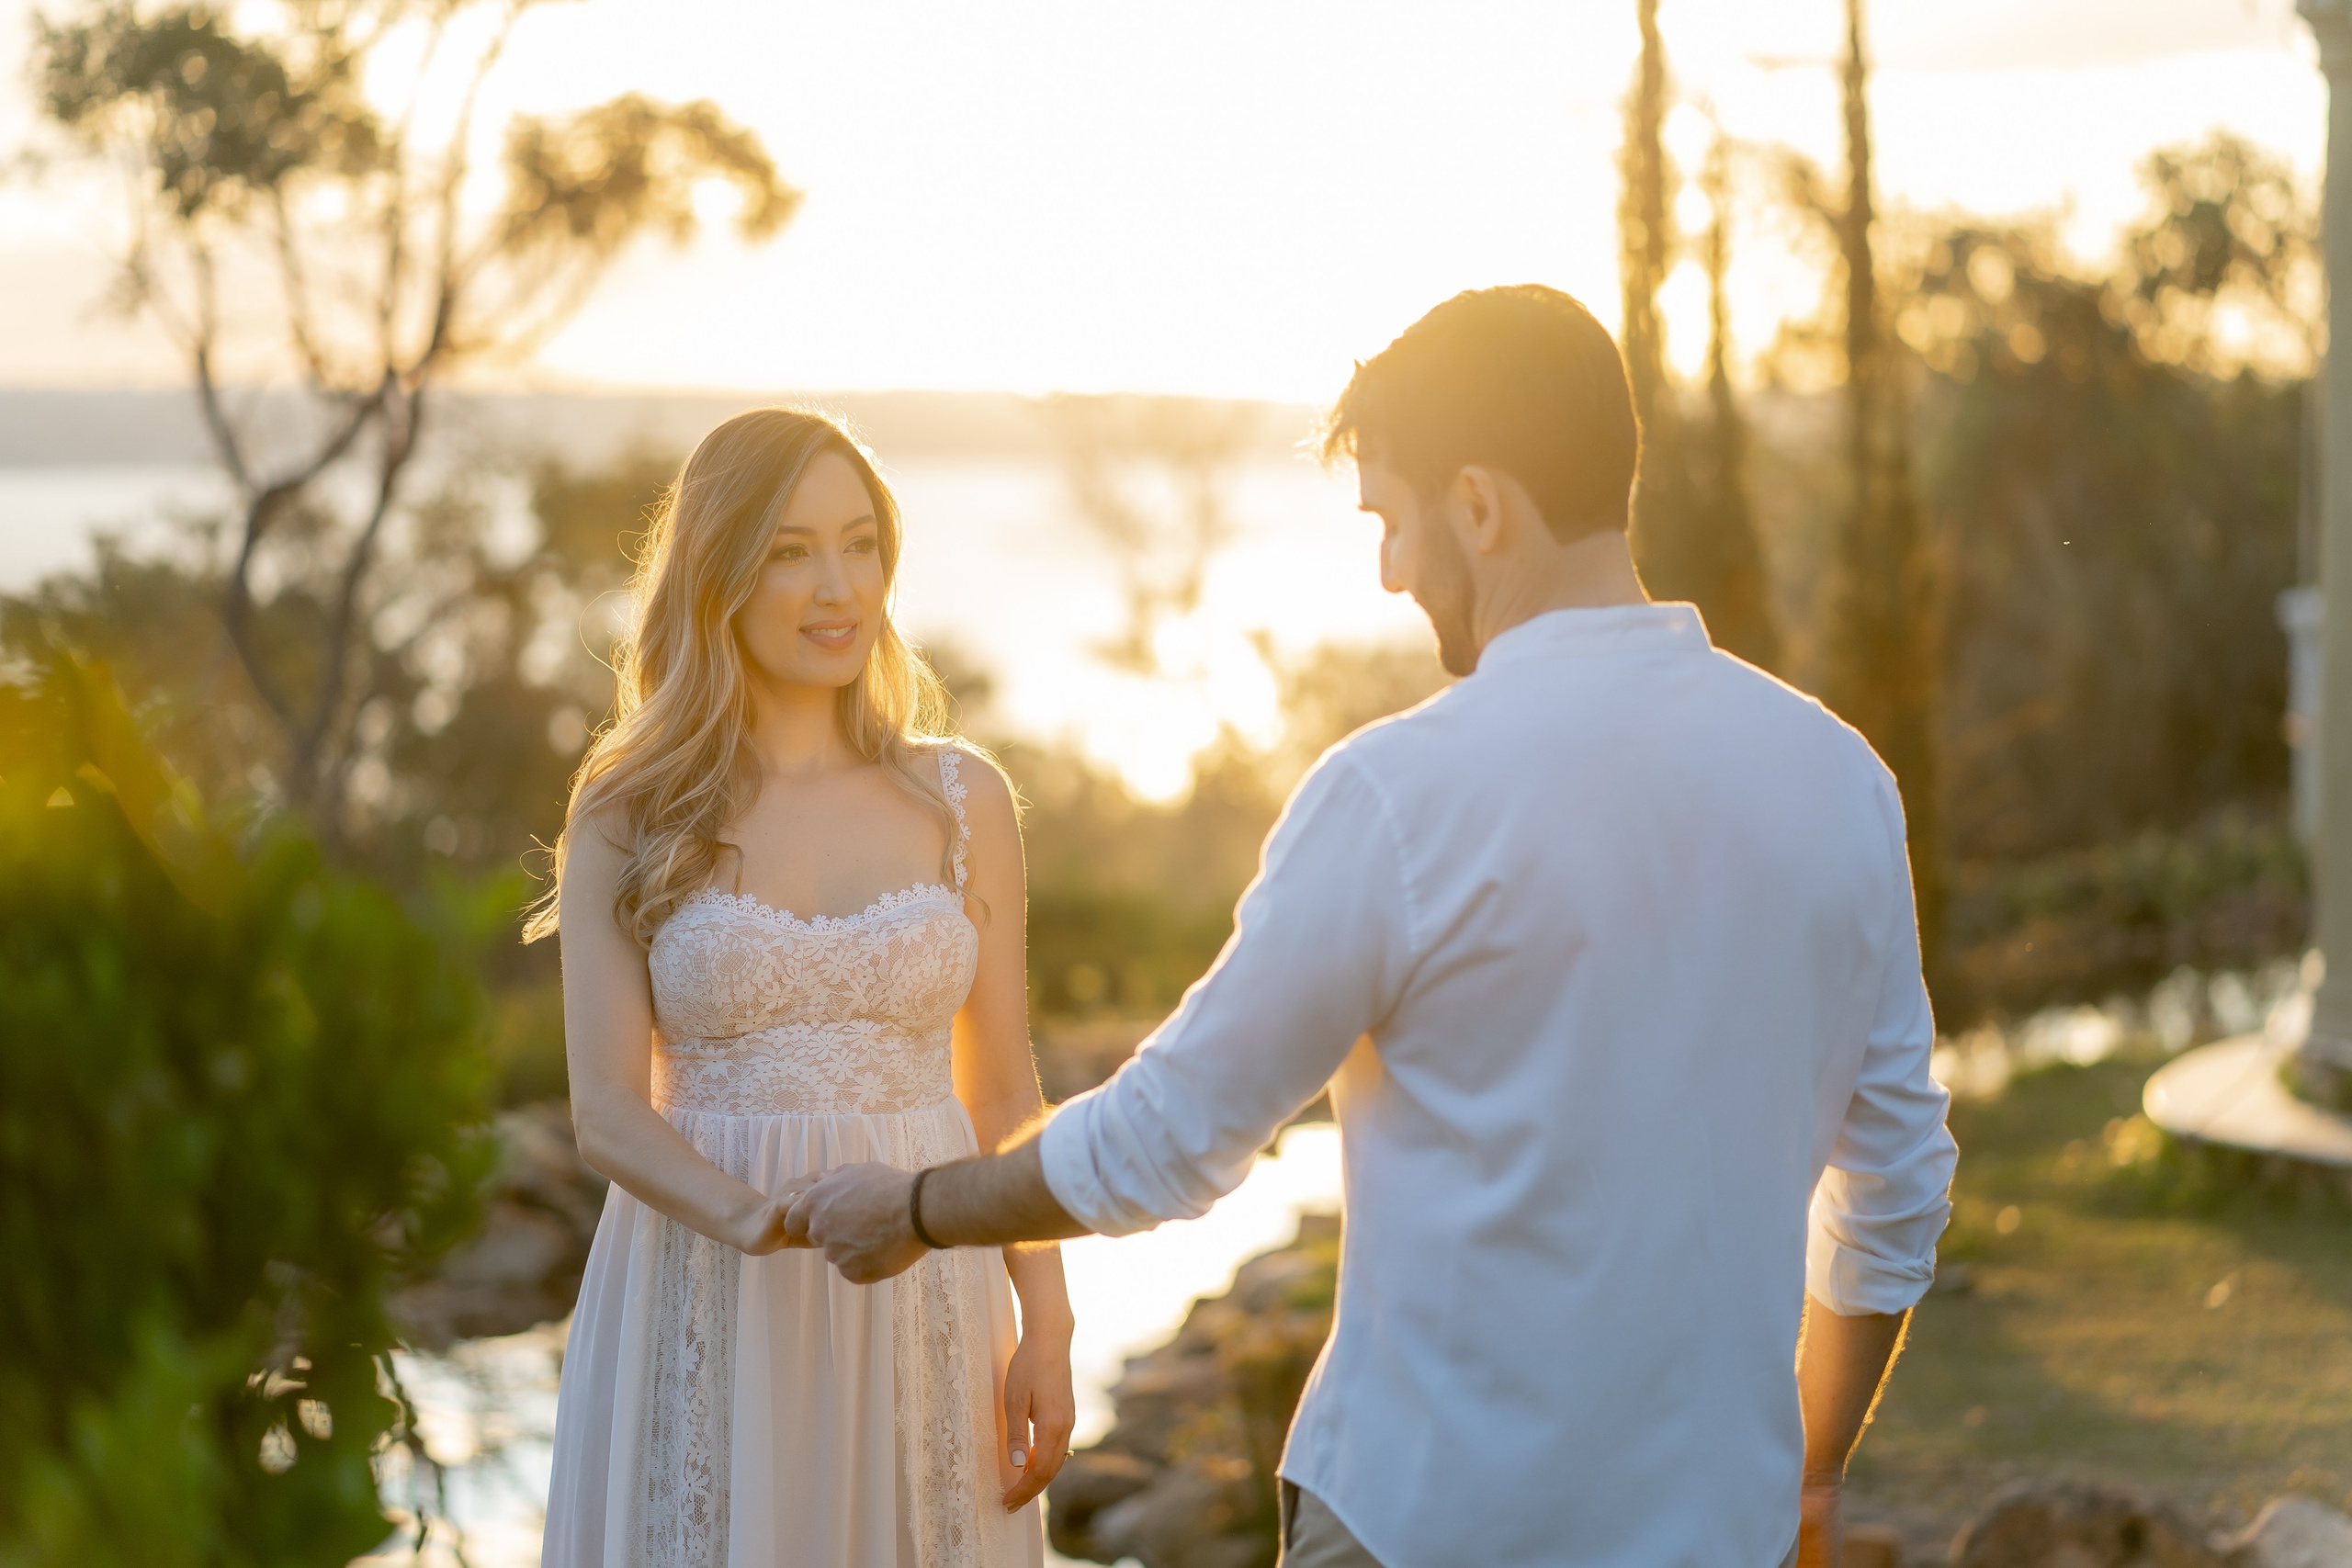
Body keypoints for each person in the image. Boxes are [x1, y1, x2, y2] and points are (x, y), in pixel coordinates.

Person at [788, 287, 1960, 1568]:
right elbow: (1894, 1185)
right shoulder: (1839, 780)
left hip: (1421, 1524)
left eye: (1392, 521)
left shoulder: (1397, 797)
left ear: (1480, 505)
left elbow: (1168, 1138)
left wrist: (916, 1206)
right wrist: (1810, 1472)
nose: (1392, 569)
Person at [528, 407, 1069, 1568]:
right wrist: (759, 1221)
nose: (838, 588)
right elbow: (606, 1110)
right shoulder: (629, 809)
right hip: (702, 1282)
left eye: (860, 544)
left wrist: (1049, 1320)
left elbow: (1001, 1088)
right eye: (790, 551)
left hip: (930, 1282)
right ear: (719, 572)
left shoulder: (962, 799)